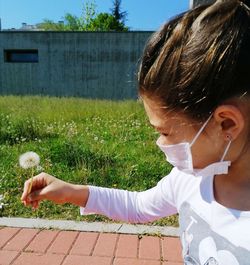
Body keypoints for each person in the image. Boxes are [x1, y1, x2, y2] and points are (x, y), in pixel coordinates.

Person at [21, 0, 250, 263]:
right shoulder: (190, 179)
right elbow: (139, 206)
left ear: (227, 124)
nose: (159, 143)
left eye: (165, 132)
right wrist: (70, 191)